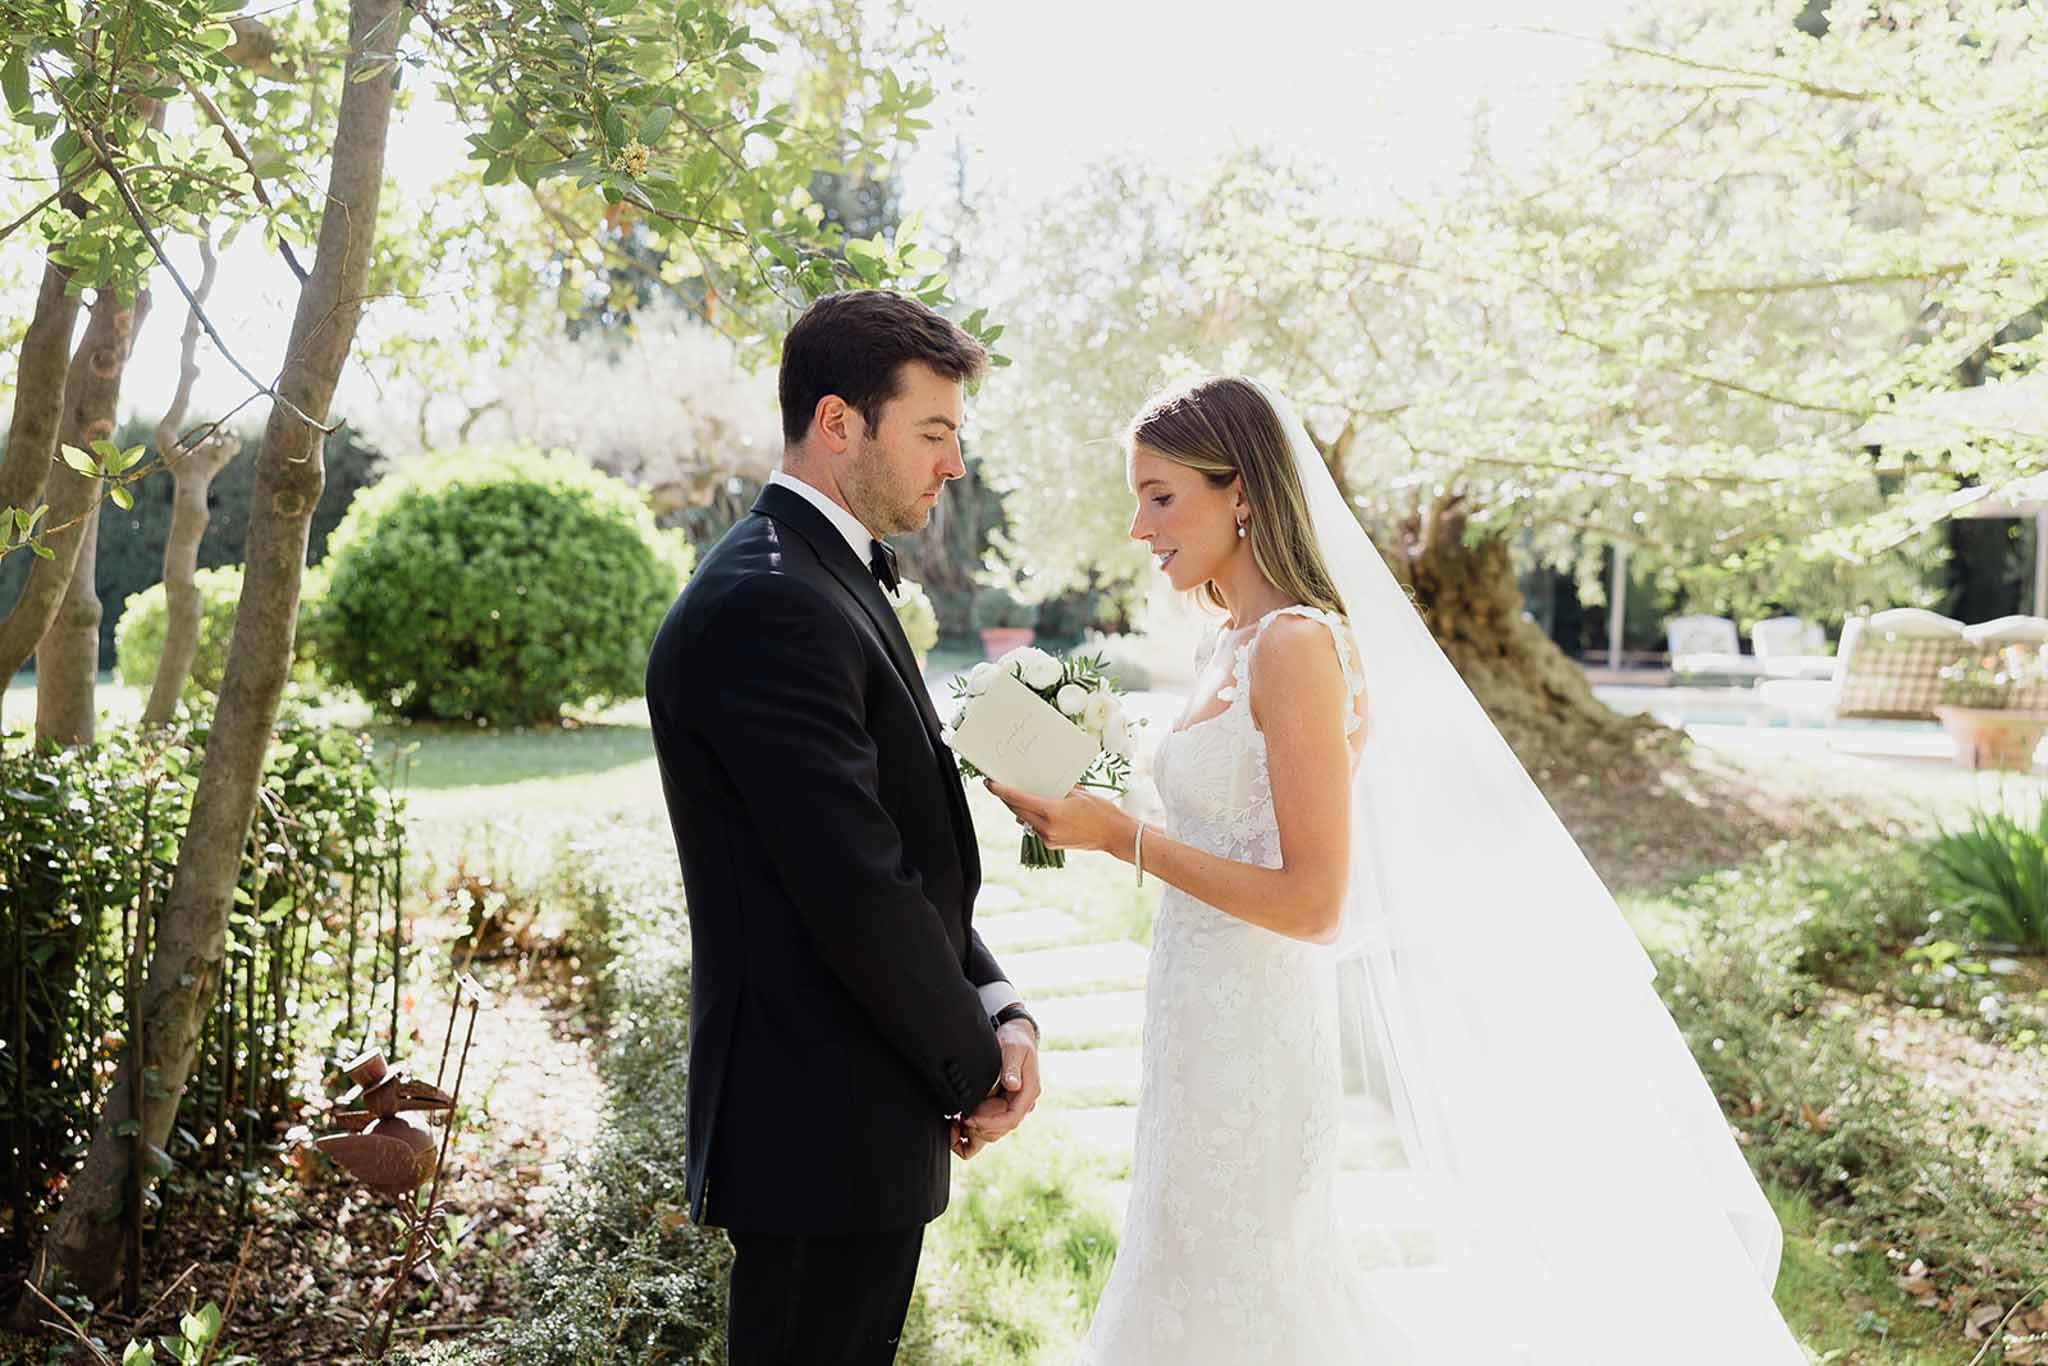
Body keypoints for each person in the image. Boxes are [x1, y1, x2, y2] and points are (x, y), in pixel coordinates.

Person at [988, 376, 1805, 1364]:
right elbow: (1229, 824)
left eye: (1159, 496)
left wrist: (1123, 839)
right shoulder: (1223, 643)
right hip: (1192, 1015)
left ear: (1240, 491)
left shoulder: (1294, 646)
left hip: (1257, 1035)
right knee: (1184, 1270)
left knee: (1241, 1288)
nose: (1137, 526)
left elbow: (1313, 902)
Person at [646, 290, 1041, 1366]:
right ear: (837, 423)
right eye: (933, 431)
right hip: (813, 1127)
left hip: (854, 1123)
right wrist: (978, 1066)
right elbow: (854, 886)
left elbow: (896, 854)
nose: (953, 463)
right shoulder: (770, 600)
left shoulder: (821, 573)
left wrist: (999, 1004)